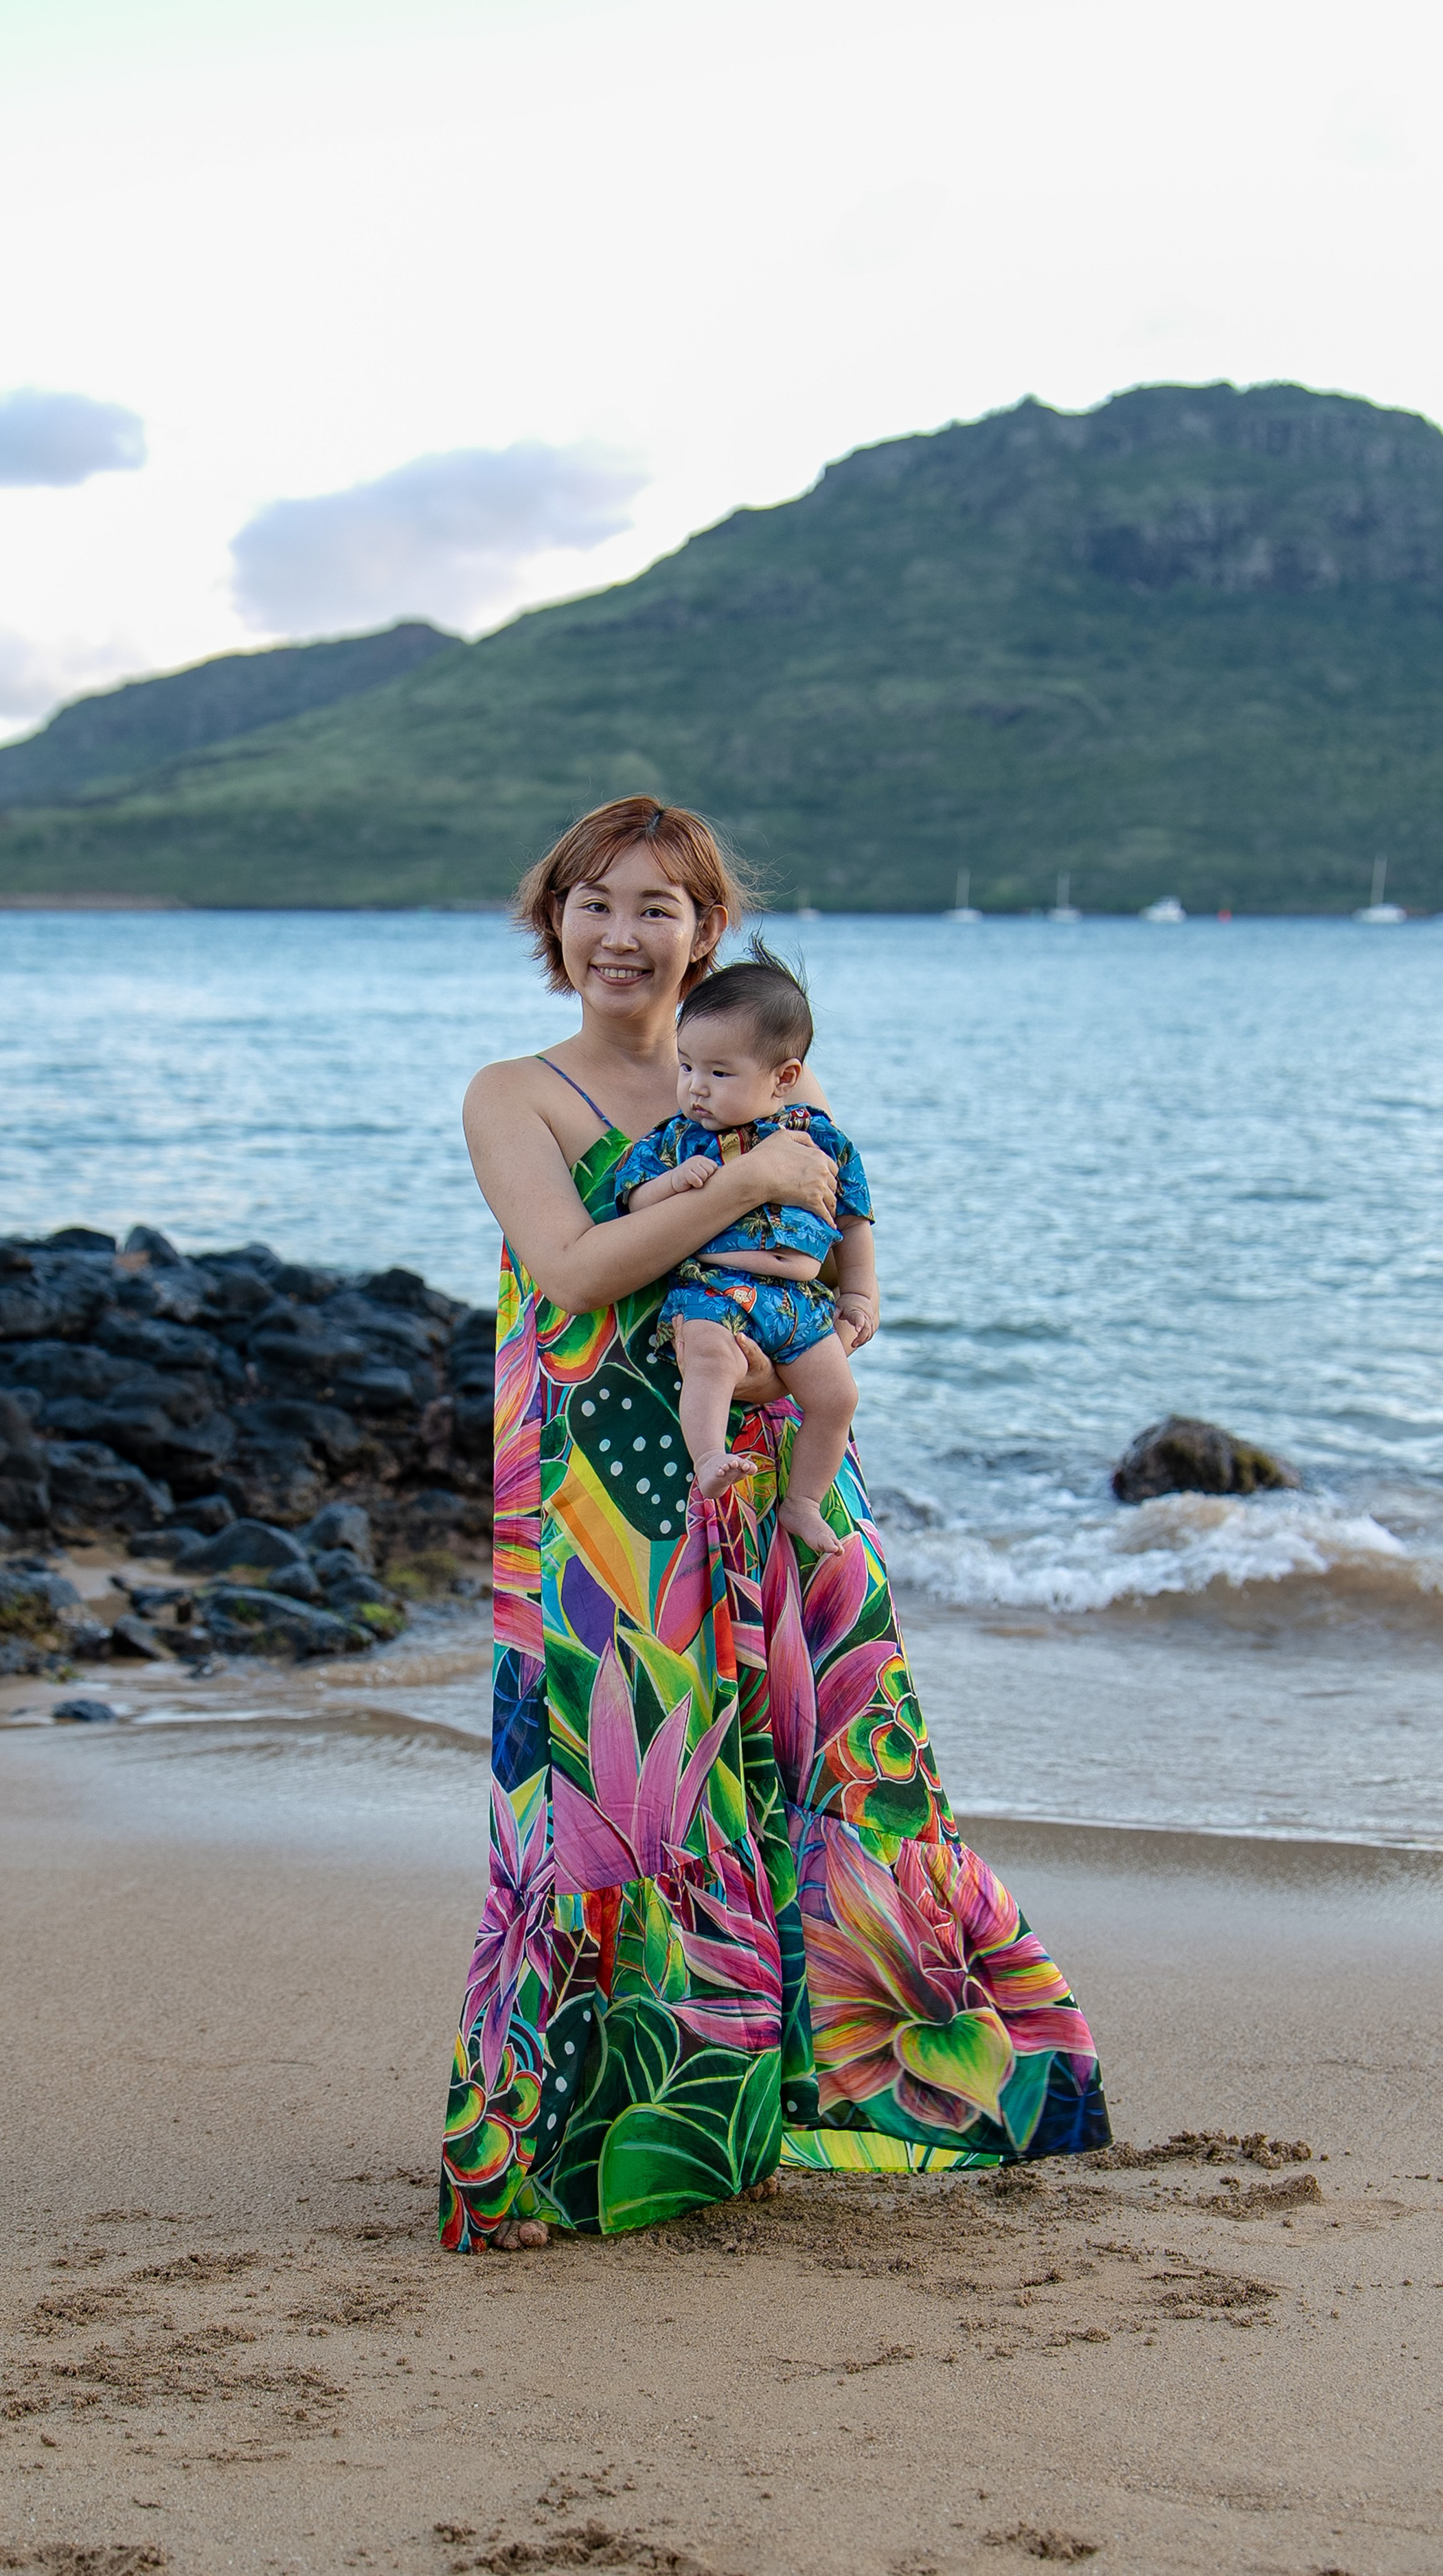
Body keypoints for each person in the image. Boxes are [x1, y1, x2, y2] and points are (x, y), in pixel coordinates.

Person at [440, 794, 1109, 2256]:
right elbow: (567, 1276)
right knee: (626, 1800)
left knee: (839, 1758)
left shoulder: (769, 1089)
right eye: (594, 903)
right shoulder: (520, 1093)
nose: (621, 935)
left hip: (779, 1483)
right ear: (551, 920)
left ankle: (859, 2094)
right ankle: (588, 2143)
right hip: (604, 1502)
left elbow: (836, 1244)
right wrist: (742, 1182)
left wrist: (835, 1311)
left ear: (706, 934)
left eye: (656, 909)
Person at [612, 943, 875, 1552]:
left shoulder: (820, 1139)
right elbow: (632, 1203)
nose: (695, 1088)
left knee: (838, 1397)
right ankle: (708, 1457)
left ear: (783, 1078)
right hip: (713, 1292)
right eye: (686, 1068)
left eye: (719, 1073)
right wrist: (671, 1185)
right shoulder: (677, 1141)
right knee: (710, 1359)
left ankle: (803, 1501)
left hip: (801, 1305)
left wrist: (859, 1292)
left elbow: (854, 1219)